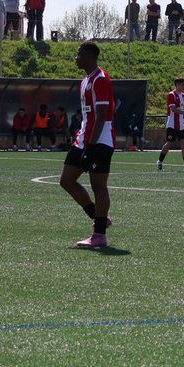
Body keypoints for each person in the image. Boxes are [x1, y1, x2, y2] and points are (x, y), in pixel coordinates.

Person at [59, 41, 116, 249]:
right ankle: (98, 217)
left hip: (99, 140)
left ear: (90, 57)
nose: (76, 57)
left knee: (98, 185)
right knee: (66, 180)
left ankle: (99, 234)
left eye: (79, 54)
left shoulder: (100, 79)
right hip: (84, 138)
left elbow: (101, 116)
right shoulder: (86, 80)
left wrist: (91, 146)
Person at [157, 77, 184, 172]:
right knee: (169, 144)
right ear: (177, 84)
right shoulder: (171, 95)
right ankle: (160, 161)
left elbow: (182, 110)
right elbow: (173, 109)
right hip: (172, 124)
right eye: (182, 84)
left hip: (182, 124)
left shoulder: (183, 95)